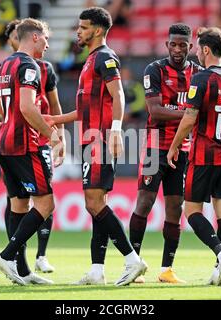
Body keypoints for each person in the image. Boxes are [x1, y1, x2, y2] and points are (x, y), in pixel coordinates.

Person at [46, 7, 147, 286]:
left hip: (100, 138)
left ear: (98, 30)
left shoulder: (104, 57)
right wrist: (56, 118)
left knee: (93, 203)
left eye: (84, 27)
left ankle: (132, 260)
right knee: (97, 204)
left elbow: (119, 95)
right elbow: (83, 109)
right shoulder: (90, 60)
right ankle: (96, 269)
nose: (78, 31)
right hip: (90, 137)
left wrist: (115, 130)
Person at [0, 19, 65, 274]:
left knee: (19, 205)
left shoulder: (4, 65)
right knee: (46, 205)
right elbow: (27, 107)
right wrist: (51, 134)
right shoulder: (29, 65)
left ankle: (21, 270)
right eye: (45, 39)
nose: (47, 44)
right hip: (25, 144)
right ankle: (7, 256)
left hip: (4, 142)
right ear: (34, 37)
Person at [128, 23, 202, 284]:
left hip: (183, 149)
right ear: (167, 44)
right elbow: (155, 111)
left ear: (190, 46)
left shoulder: (199, 73)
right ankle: (133, 265)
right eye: (174, 44)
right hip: (154, 147)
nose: (178, 49)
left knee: (175, 207)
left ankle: (166, 269)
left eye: (183, 44)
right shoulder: (155, 70)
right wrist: (190, 114)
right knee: (145, 203)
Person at [166, 27, 221, 286]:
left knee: (192, 210)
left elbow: (189, 118)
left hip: (204, 153)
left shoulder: (201, 79)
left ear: (206, 50)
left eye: (198, 48)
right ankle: (220, 270)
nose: (196, 52)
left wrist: (174, 146)